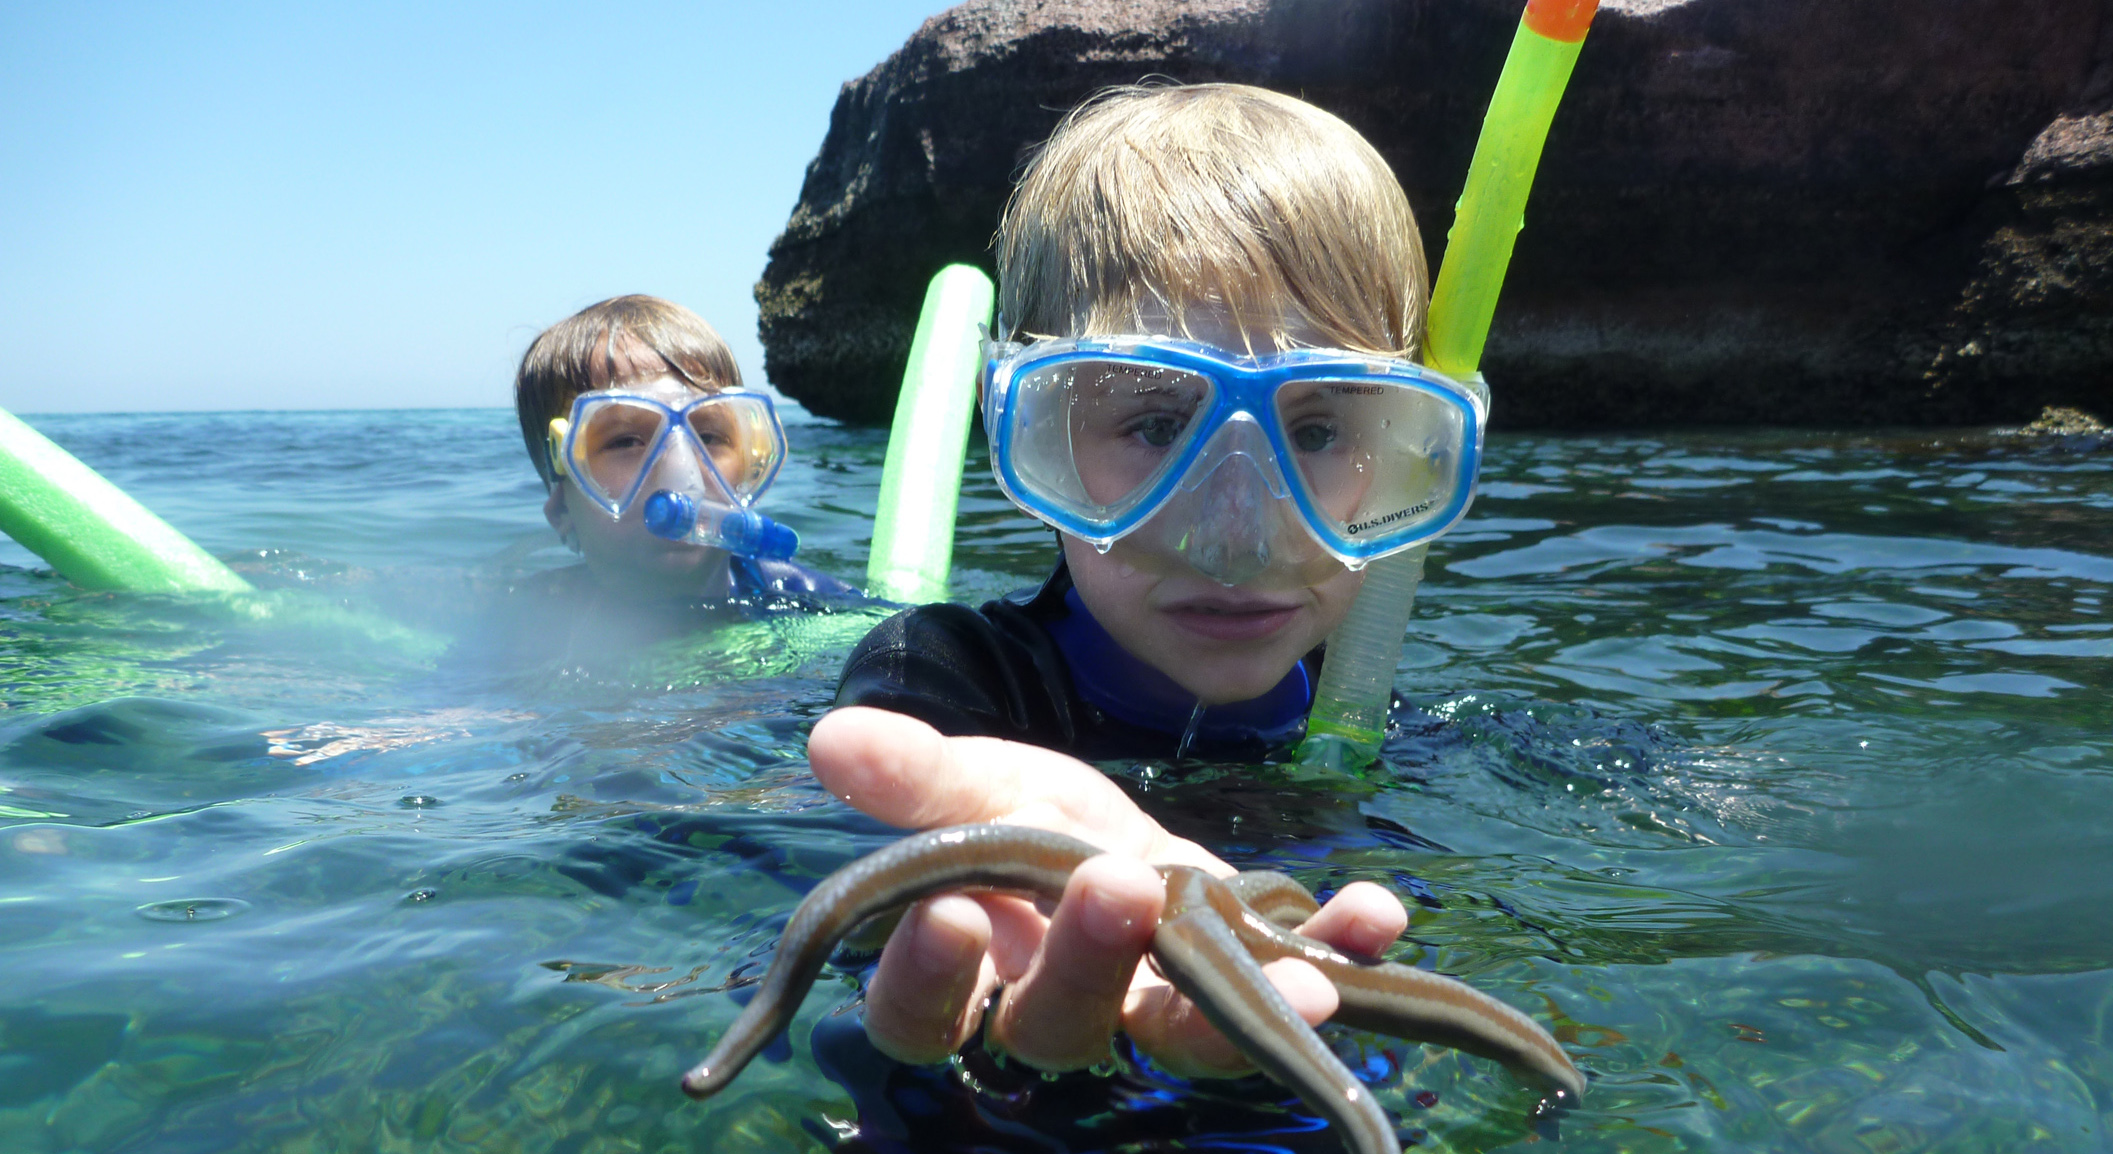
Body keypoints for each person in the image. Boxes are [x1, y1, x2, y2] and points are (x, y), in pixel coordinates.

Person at [836, 82, 1485, 761]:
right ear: (1028, 434)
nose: (1238, 540)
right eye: (1158, 427)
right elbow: (879, 772)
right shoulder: (941, 684)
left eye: (1315, 433)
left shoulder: (1382, 722)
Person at [513, 294, 856, 609]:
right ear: (562, 513)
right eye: (626, 441)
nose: (682, 476)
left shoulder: (814, 604)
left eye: (709, 437)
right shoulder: (525, 621)